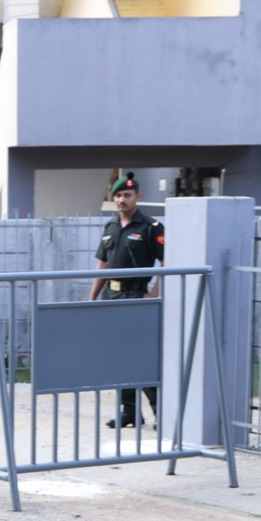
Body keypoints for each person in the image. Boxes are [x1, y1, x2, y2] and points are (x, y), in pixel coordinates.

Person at [88, 173, 165, 428]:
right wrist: (92, 298)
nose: (122, 199)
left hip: (136, 296)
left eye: (127, 195)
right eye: (118, 195)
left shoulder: (151, 227)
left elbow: (167, 262)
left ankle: (161, 412)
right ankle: (130, 411)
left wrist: (155, 293)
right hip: (112, 297)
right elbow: (102, 264)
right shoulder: (110, 227)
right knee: (119, 356)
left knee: (140, 356)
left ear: (137, 197)